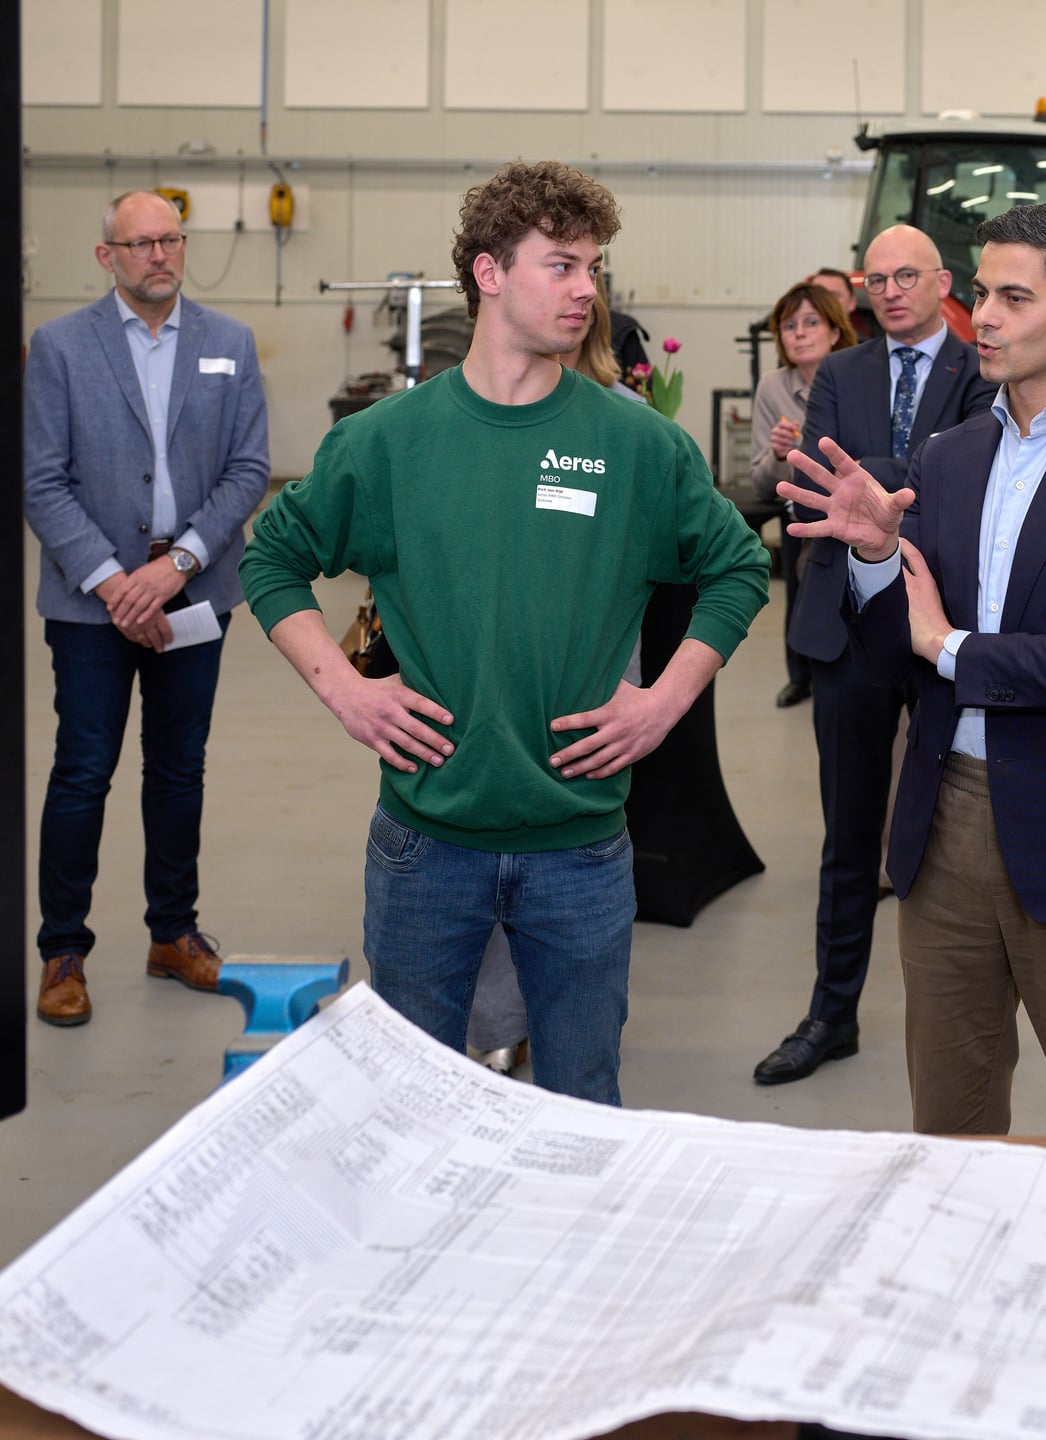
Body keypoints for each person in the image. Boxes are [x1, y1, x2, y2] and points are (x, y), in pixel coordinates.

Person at [240, 160, 770, 1106]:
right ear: (488, 274)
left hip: (581, 848)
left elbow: (736, 565)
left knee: (582, 1109)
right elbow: (272, 557)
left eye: (593, 269)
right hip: (423, 845)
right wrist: (345, 686)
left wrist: (665, 702)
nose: (586, 291)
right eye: (562, 266)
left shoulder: (636, 443)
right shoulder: (387, 443)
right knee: (413, 1109)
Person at [781, 202, 1046, 1136]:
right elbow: (898, 645)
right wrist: (872, 559)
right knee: (952, 1129)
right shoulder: (948, 455)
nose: (989, 318)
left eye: (1016, 297)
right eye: (981, 295)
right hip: (945, 831)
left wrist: (948, 646)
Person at [752, 225, 995, 1087]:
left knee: (951, 837)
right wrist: (895, 479)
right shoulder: (844, 373)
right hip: (844, 625)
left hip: (938, 630)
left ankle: (962, 1022)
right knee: (847, 837)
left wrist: (883, 483)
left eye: (907, 277)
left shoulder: (983, 371)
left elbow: (959, 489)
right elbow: (826, 481)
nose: (890, 291)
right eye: (876, 279)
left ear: (944, 283)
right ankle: (832, 1014)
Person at [22, 190, 270, 1027]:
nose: (158, 255)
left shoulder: (228, 344)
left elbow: (248, 468)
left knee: (178, 767)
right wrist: (112, 579)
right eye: (139, 244)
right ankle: (63, 950)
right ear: (106, 257)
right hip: (92, 603)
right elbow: (42, 480)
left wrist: (177, 568)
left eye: (170, 239)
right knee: (83, 770)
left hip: (192, 593)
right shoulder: (58, 348)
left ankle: (173, 933)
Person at [466, 286, 650, 1078]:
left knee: (567, 860)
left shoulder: (623, 423)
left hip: (591, 671)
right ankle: (501, 1020)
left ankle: (558, 1018)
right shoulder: (469, 414)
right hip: (491, 674)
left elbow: (714, 557)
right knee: (481, 859)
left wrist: (661, 696)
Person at [753, 281, 860, 710]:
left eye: (811, 322)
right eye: (788, 325)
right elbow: (761, 480)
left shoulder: (858, 379)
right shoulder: (772, 386)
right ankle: (800, 676)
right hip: (800, 509)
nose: (797, 333)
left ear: (836, 331)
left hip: (854, 512)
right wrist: (783, 456)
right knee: (799, 593)